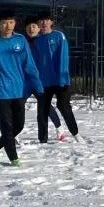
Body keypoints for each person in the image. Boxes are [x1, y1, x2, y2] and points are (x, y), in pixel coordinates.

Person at [0, 7, 44, 167]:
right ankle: (14, 159)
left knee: (18, 126)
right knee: (6, 127)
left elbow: (30, 66)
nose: (8, 26)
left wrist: (38, 86)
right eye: (5, 23)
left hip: (19, 89)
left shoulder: (20, 40)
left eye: (11, 22)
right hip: (0, 90)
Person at [32, 10, 82, 144]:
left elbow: (63, 57)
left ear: (51, 22)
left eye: (46, 20)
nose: (44, 23)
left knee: (64, 106)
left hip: (61, 80)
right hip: (44, 82)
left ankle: (76, 134)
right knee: (42, 110)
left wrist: (62, 77)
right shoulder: (37, 41)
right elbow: (35, 61)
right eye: (41, 21)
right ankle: (42, 140)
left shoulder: (59, 36)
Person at [23, 17, 66, 141]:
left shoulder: (45, 41)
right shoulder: (22, 42)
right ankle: (13, 134)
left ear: (39, 28)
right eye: (29, 27)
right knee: (18, 105)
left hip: (40, 81)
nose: (31, 29)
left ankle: (59, 129)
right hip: (25, 81)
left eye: (34, 26)